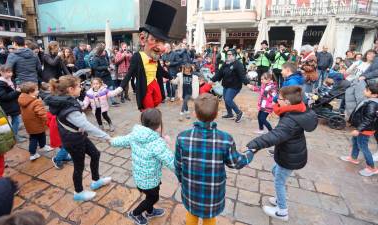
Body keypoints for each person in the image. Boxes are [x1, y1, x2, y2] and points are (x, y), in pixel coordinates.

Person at [175, 93, 255, 225]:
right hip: (213, 192)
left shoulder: (182, 137)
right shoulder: (225, 139)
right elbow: (236, 163)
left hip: (191, 188)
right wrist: (250, 153)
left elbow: (178, 165)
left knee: (191, 212)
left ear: (195, 113)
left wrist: (181, 180)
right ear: (216, 115)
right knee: (210, 216)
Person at [246, 86, 318, 221]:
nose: (276, 100)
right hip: (290, 152)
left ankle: (282, 211)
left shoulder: (290, 120)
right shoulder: (297, 110)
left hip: (290, 156)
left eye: (279, 99)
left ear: (288, 102)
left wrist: (254, 145)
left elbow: (275, 135)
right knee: (276, 172)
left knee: (279, 181)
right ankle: (281, 198)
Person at [46, 75, 112, 201]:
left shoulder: (67, 99)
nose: (81, 88)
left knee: (95, 154)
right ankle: (78, 192)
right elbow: (86, 125)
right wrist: (106, 137)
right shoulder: (67, 106)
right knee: (79, 166)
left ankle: (96, 180)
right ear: (70, 89)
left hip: (78, 136)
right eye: (79, 86)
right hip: (73, 140)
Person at [111, 108, 174, 225]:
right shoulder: (158, 144)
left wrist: (111, 140)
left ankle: (150, 212)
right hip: (150, 181)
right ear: (159, 125)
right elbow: (171, 162)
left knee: (150, 195)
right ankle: (135, 213)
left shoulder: (135, 135)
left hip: (140, 177)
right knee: (153, 198)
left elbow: (121, 140)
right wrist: (168, 144)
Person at [114, 1, 175, 111]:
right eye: (154, 40)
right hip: (144, 87)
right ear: (143, 39)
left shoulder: (155, 58)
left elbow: (160, 71)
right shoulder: (138, 57)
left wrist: (171, 78)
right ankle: (148, 120)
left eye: (162, 42)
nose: (161, 47)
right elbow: (130, 73)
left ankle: (149, 118)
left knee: (158, 99)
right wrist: (120, 87)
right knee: (149, 109)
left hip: (154, 84)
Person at [340, 80, 378, 176]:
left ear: (374, 95)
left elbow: (368, 119)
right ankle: (353, 158)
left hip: (365, 129)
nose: (364, 91)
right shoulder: (369, 101)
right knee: (356, 142)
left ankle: (372, 168)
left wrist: (358, 130)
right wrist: (352, 122)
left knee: (363, 146)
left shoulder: (372, 104)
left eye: (367, 90)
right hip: (361, 127)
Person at [211, 49, 249, 123]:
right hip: (226, 85)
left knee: (228, 99)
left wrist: (247, 83)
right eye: (227, 54)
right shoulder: (226, 63)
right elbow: (220, 73)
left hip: (235, 86)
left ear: (234, 55)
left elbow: (242, 75)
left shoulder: (238, 64)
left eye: (230, 54)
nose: (228, 56)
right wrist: (212, 80)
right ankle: (230, 114)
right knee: (225, 99)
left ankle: (239, 113)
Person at [18, 82, 52, 161]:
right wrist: (48, 120)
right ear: (30, 92)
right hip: (38, 123)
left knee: (33, 137)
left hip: (29, 124)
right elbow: (41, 113)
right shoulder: (36, 101)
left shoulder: (22, 99)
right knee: (41, 135)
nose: (38, 91)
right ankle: (42, 147)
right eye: (36, 90)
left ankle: (33, 154)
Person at [0, 64, 25, 142]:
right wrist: (17, 91)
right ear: (1, 72)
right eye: (7, 72)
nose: (10, 74)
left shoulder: (9, 80)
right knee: (16, 121)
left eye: (11, 72)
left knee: (15, 120)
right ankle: (14, 137)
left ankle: (15, 134)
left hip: (12, 104)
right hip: (7, 105)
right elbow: (4, 97)